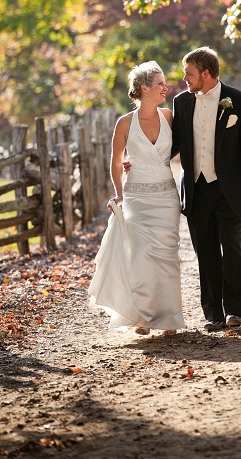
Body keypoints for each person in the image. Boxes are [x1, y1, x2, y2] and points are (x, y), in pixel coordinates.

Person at [172, 46, 241, 332]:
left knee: (232, 248)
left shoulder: (238, 101)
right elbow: (173, 143)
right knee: (206, 253)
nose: (185, 79)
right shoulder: (182, 102)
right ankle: (213, 313)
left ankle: (236, 310)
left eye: (189, 74)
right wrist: (142, 159)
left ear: (206, 73)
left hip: (230, 189)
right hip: (196, 189)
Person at [89, 61, 185, 336]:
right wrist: (120, 194)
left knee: (167, 257)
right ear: (144, 89)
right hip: (136, 199)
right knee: (141, 255)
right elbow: (116, 162)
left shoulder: (168, 116)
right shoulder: (125, 123)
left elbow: (181, 150)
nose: (166, 88)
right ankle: (142, 317)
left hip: (166, 197)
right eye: (160, 84)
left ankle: (169, 318)